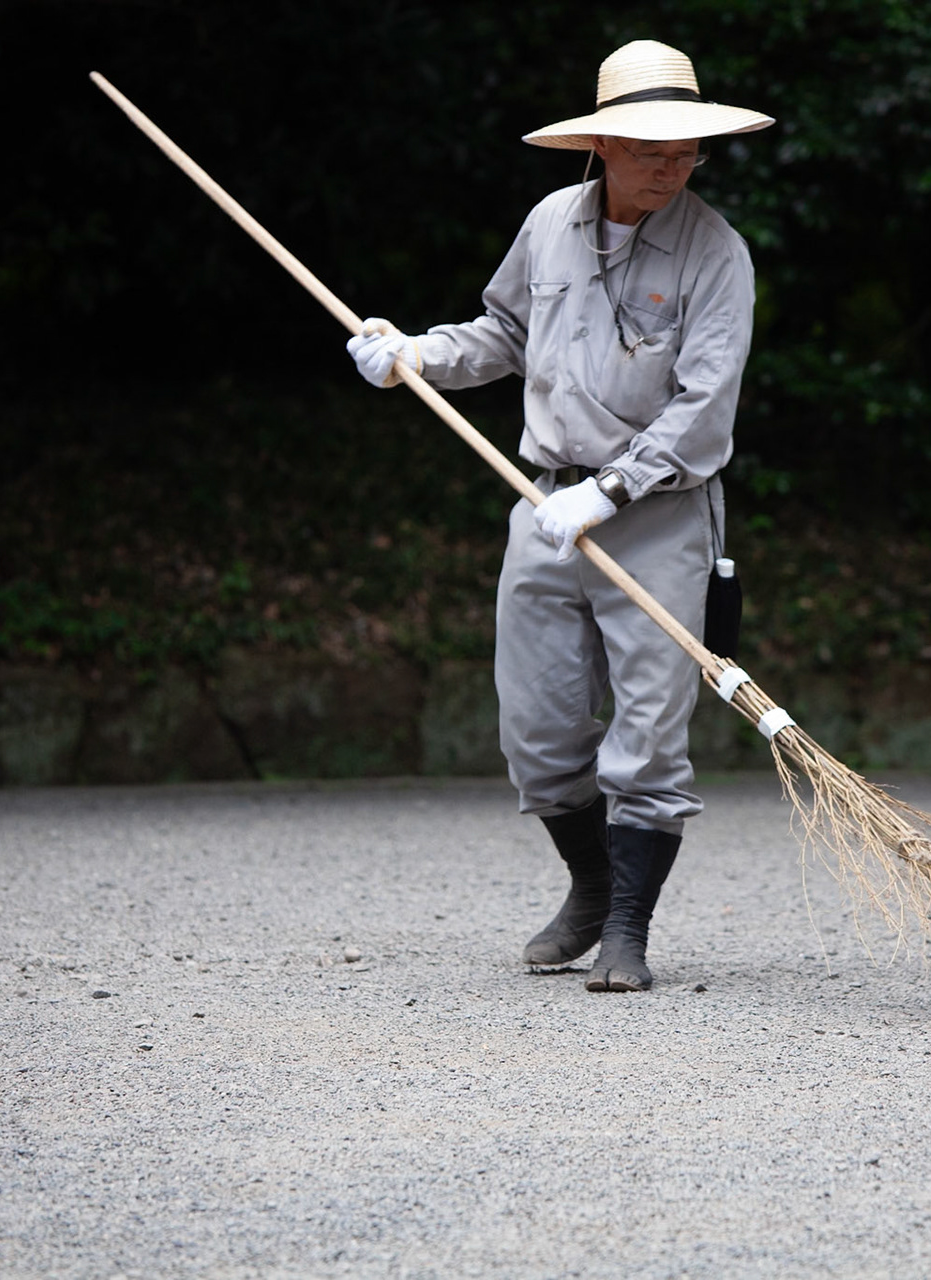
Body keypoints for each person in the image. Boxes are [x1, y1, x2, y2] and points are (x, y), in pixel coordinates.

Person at [345, 40, 772, 992]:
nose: (673, 166)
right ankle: (588, 886)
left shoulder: (718, 254)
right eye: (652, 148)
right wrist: (415, 351)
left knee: (650, 733)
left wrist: (612, 489)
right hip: (542, 499)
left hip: (656, 513)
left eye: (687, 149)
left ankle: (627, 927)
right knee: (536, 729)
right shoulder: (548, 224)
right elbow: (500, 333)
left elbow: (704, 405)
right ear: (604, 145)